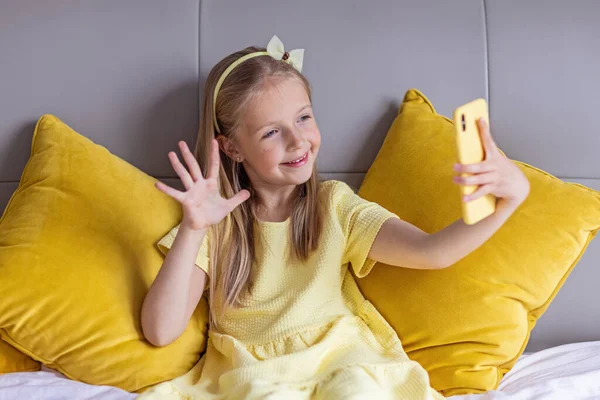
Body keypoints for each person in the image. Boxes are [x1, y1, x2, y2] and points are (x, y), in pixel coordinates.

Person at [138, 35, 530, 400]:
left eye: (304, 118)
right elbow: (160, 330)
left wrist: (510, 201)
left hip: (340, 363)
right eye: (271, 132)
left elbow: (432, 252)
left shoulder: (334, 205)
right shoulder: (214, 225)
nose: (298, 141)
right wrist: (193, 229)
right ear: (233, 148)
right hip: (256, 374)